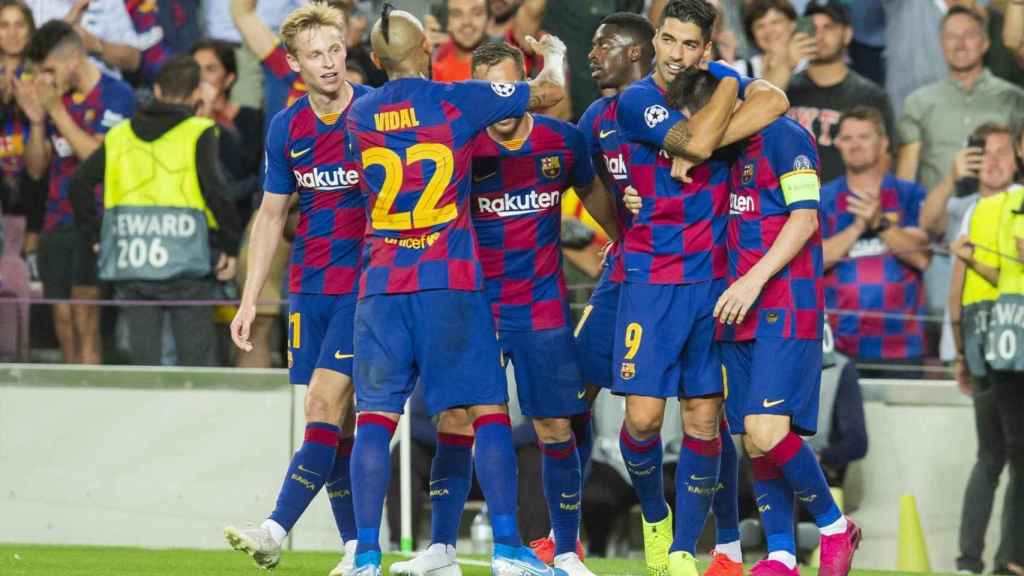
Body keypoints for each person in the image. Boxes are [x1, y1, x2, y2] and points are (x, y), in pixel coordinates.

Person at [344, 5, 567, 576]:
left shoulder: (359, 113)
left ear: (373, 60)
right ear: (427, 52)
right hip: (449, 278)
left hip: (382, 284)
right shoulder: (457, 99)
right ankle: (509, 551)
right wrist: (556, 61)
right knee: (487, 411)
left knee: (373, 420)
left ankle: (365, 556)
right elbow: (545, 95)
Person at [390, 41, 618, 576]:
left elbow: (596, 196)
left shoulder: (562, 143)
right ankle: (442, 549)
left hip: (541, 312)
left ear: (525, 87)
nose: (499, 100)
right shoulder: (459, 148)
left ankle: (564, 550)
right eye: (487, 89)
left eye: (508, 87)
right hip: (473, 308)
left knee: (555, 428)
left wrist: (626, 242)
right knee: (454, 419)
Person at [612, 1, 792, 574]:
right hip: (650, 280)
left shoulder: (720, 83)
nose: (676, 54)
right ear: (656, 39)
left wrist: (730, 86)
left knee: (703, 421)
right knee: (642, 420)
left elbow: (778, 99)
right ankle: (653, 514)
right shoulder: (637, 98)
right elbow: (689, 143)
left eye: (691, 45)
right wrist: (704, 140)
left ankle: (684, 551)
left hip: (713, 283)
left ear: (706, 49)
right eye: (669, 40)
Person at [222, 4, 370, 576]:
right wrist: (250, 297)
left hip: (368, 286)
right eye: (315, 55)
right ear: (294, 63)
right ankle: (359, 549)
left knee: (321, 405)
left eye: (335, 50)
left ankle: (275, 528)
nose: (329, 63)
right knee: (332, 422)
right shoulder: (287, 127)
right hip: (309, 288)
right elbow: (270, 215)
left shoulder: (378, 110)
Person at [66, 54, 240, 366]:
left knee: (143, 367)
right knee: (194, 367)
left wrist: (96, 234)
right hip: (187, 263)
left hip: (133, 261)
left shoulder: (119, 134)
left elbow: (78, 184)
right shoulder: (199, 130)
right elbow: (217, 192)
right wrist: (230, 245)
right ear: (194, 96)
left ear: (157, 90)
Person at [896, 5, 1024, 355]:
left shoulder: (1014, 99)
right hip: (940, 235)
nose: (961, 44)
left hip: (1004, 235)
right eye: (951, 37)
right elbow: (905, 179)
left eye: (969, 35)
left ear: (985, 43)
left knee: (1004, 328)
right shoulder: (919, 102)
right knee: (943, 334)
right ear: (940, 44)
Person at [22, 20, 135, 365]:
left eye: (50, 70)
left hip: (95, 222)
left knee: (86, 318)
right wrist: (39, 121)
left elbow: (97, 158)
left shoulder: (117, 95)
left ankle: (94, 403)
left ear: (73, 60)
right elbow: (36, 169)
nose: (45, 80)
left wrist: (55, 110)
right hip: (55, 220)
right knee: (63, 321)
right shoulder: (56, 100)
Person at [947, 145, 1019, 573]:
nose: (993, 162)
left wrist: (960, 347)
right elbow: (964, 279)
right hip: (1002, 341)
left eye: (1003, 154)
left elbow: (965, 275)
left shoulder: (981, 210)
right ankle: (1003, 559)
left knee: (992, 456)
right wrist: (959, 349)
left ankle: (971, 561)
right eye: (986, 153)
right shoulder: (988, 209)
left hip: (985, 338)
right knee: (1004, 455)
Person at [820, 106, 930, 373]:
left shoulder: (909, 194)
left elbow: (921, 257)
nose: (855, 145)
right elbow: (813, 261)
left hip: (902, 345)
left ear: (884, 143)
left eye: (864, 136)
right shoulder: (822, 198)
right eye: (847, 138)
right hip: (839, 345)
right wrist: (857, 228)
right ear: (837, 145)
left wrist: (880, 223)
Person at [785, 0, 893, 186]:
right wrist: (785, 64)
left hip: (845, 207)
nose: (819, 35)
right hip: (789, 204)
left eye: (829, 27)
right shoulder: (784, 90)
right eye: (813, 28)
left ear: (847, 34)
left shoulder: (871, 96)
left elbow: (886, 158)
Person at [734, 0, 812, 90]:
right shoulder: (740, 70)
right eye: (760, 26)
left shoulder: (811, 62)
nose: (768, 31)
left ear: (792, 24)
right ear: (752, 33)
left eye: (775, 22)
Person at [431, 0, 489, 82]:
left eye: (476, 13)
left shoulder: (509, 69)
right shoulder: (431, 75)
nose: (466, 22)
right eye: (456, 14)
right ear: (446, 23)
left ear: (489, 20)